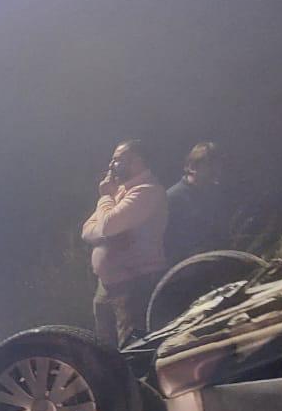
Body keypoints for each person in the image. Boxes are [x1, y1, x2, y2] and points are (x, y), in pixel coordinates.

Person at [81, 140, 168, 347]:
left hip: (134, 283)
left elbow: (108, 224)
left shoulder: (147, 191)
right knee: (103, 349)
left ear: (137, 162)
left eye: (118, 160)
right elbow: (87, 230)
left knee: (130, 348)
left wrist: (105, 199)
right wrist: (107, 231)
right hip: (108, 284)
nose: (111, 165)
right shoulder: (120, 192)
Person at [164, 142, 226, 265]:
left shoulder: (213, 194)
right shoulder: (172, 198)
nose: (216, 170)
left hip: (211, 263)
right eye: (210, 165)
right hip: (186, 269)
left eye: (218, 165)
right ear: (192, 167)